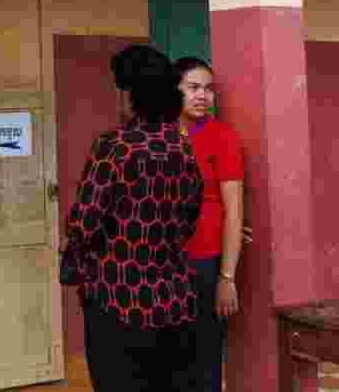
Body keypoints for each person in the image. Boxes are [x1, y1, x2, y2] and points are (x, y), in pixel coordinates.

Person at [65, 44, 203, 392]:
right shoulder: (182, 148)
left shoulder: (115, 147)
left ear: (129, 94)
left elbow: (83, 222)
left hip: (118, 300)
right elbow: (190, 219)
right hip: (174, 301)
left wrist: (76, 254)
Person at [174, 57, 245, 392]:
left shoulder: (222, 137)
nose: (202, 95)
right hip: (162, 265)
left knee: (205, 361)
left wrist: (226, 277)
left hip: (205, 263)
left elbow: (235, 212)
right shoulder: (159, 135)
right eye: (193, 87)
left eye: (208, 89)